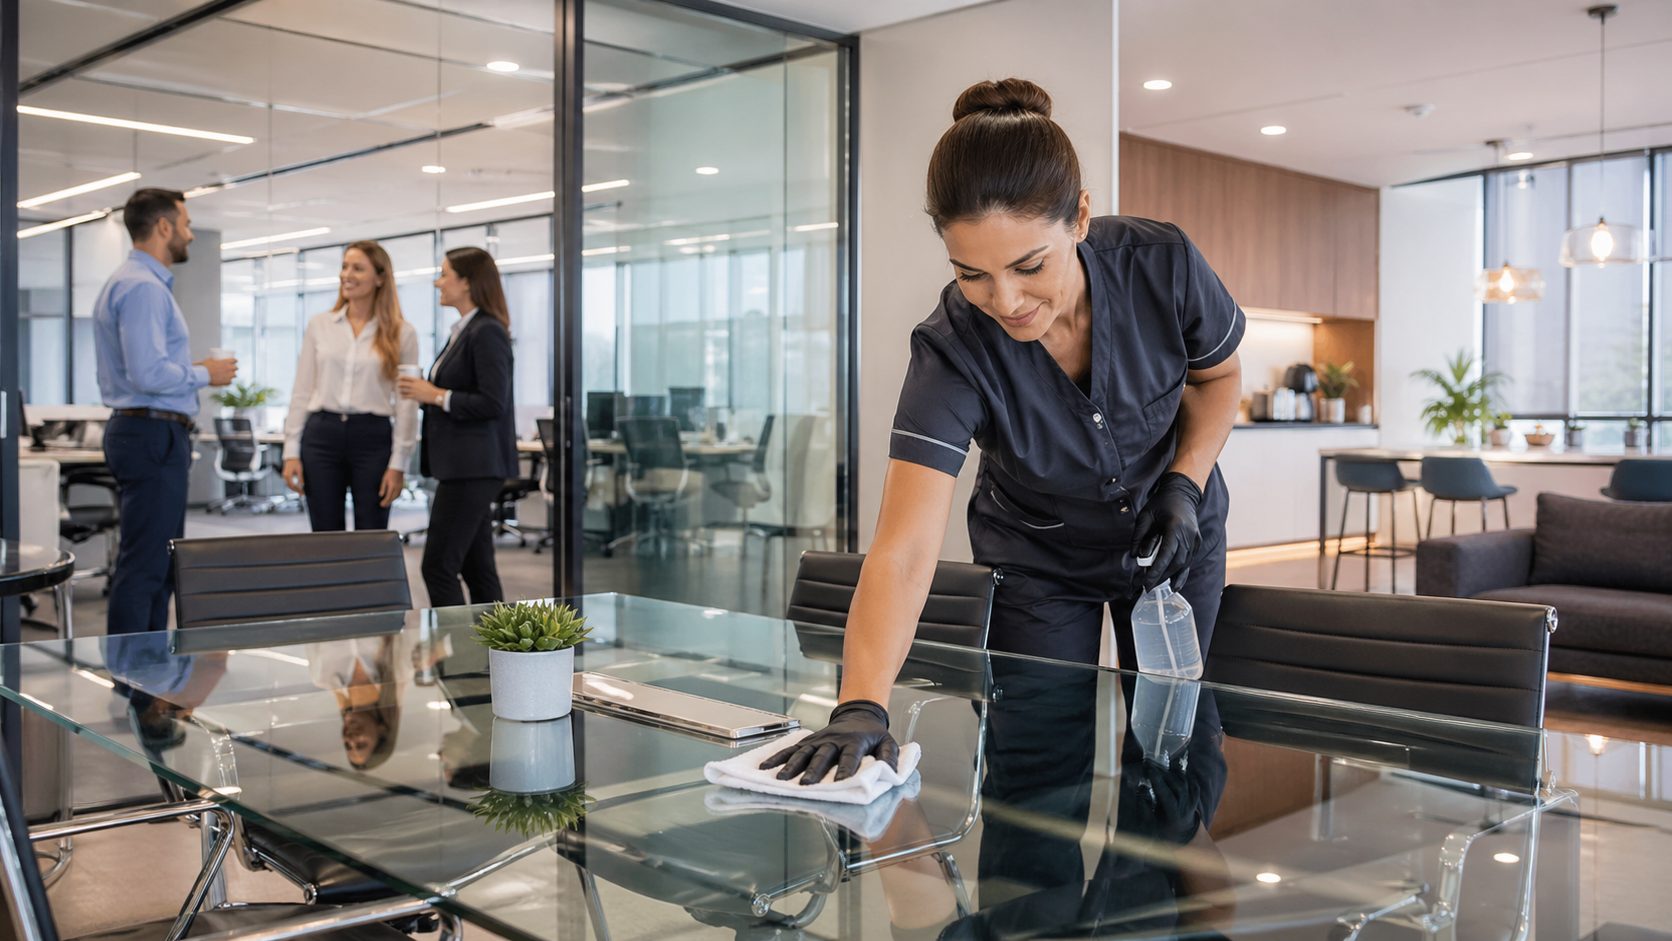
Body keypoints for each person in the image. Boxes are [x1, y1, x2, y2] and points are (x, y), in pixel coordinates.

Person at [764, 78, 1244, 783]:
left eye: (1029, 265)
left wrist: (1185, 484)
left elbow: (1217, 379)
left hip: (1170, 534)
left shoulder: (1160, 264)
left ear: (1080, 218)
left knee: (1174, 753)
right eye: (973, 275)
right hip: (1037, 560)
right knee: (1034, 767)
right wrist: (861, 704)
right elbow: (905, 548)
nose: (1007, 301)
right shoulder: (952, 347)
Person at [93, 187, 237, 635]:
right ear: (163, 227)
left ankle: (149, 668)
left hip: (148, 432)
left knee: (158, 563)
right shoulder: (143, 288)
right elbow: (148, 373)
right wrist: (206, 373)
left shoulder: (132, 282)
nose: (190, 235)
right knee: (147, 566)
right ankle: (133, 671)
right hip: (151, 434)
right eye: (186, 225)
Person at [397, 247, 517, 607]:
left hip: (473, 467)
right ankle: (492, 642)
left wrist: (434, 395)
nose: (438, 282)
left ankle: (456, 644)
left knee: (437, 567)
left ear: (467, 282)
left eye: (445, 274)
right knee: (478, 569)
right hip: (464, 465)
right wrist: (429, 394)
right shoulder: (464, 330)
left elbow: (492, 402)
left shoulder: (487, 331)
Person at [280, 241, 420, 531]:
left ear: (380, 278)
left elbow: (407, 403)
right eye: (344, 267)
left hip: (373, 437)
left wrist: (399, 464)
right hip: (321, 435)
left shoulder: (402, 332)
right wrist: (291, 451)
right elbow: (302, 390)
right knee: (325, 534)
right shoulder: (320, 325)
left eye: (358, 268)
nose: (347, 274)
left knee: (371, 533)